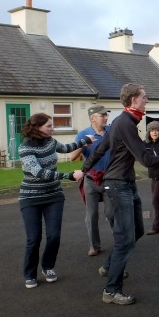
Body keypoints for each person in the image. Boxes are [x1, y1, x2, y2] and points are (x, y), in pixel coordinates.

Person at [82, 83, 159, 305]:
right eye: (144, 97)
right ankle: (111, 291)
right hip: (118, 185)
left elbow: (102, 148)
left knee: (138, 229)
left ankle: (108, 266)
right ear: (133, 100)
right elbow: (146, 159)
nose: (147, 101)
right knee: (125, 239)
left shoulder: (122, 122)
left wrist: (84, 169)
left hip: (126, 183)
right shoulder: (125, 123)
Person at [19, 113, 92, 289]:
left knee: (54, 236)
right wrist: (68, 176)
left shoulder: (51, 142)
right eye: (49, 126)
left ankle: (48, 266)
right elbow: (38, 172)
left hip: (53, 196)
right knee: (34, 238)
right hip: (31, 197)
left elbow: (66, 148)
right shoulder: (25, 148)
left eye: (52, 125)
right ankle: (30, 274)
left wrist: (85, 141)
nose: (52, 129)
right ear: (37, 128)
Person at [70, 105, 114, 257]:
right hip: (91, 179)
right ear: (93, 117)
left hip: (109, 179)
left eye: (106, 115)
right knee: (92, 214)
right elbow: (71, 157)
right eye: (103, 115)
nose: (106, 118)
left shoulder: (111, 131)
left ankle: (120, 242)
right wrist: (83, 144)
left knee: (111, 212)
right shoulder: (83, 134)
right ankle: (94, 245)